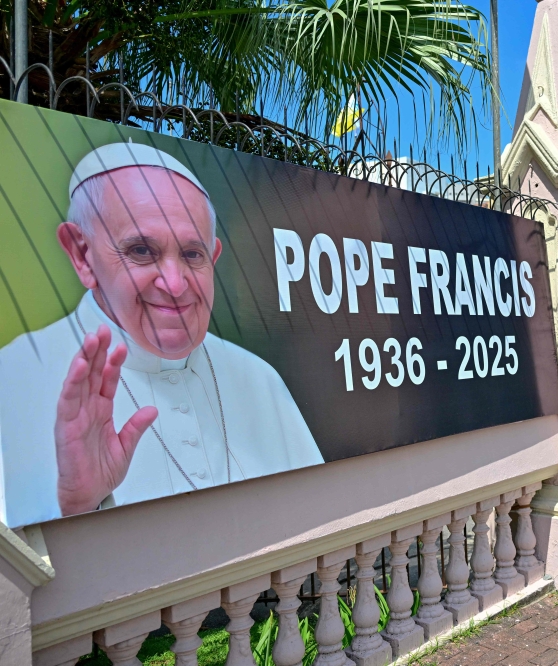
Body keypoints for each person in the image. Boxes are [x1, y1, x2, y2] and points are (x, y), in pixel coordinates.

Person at [0, 142, 323, 529]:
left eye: (192, 255)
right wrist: (78, 507)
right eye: (141, 250)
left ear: (213, 258)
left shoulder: (258, 376)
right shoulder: (14, 375)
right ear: (82, 254)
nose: (174, 284)